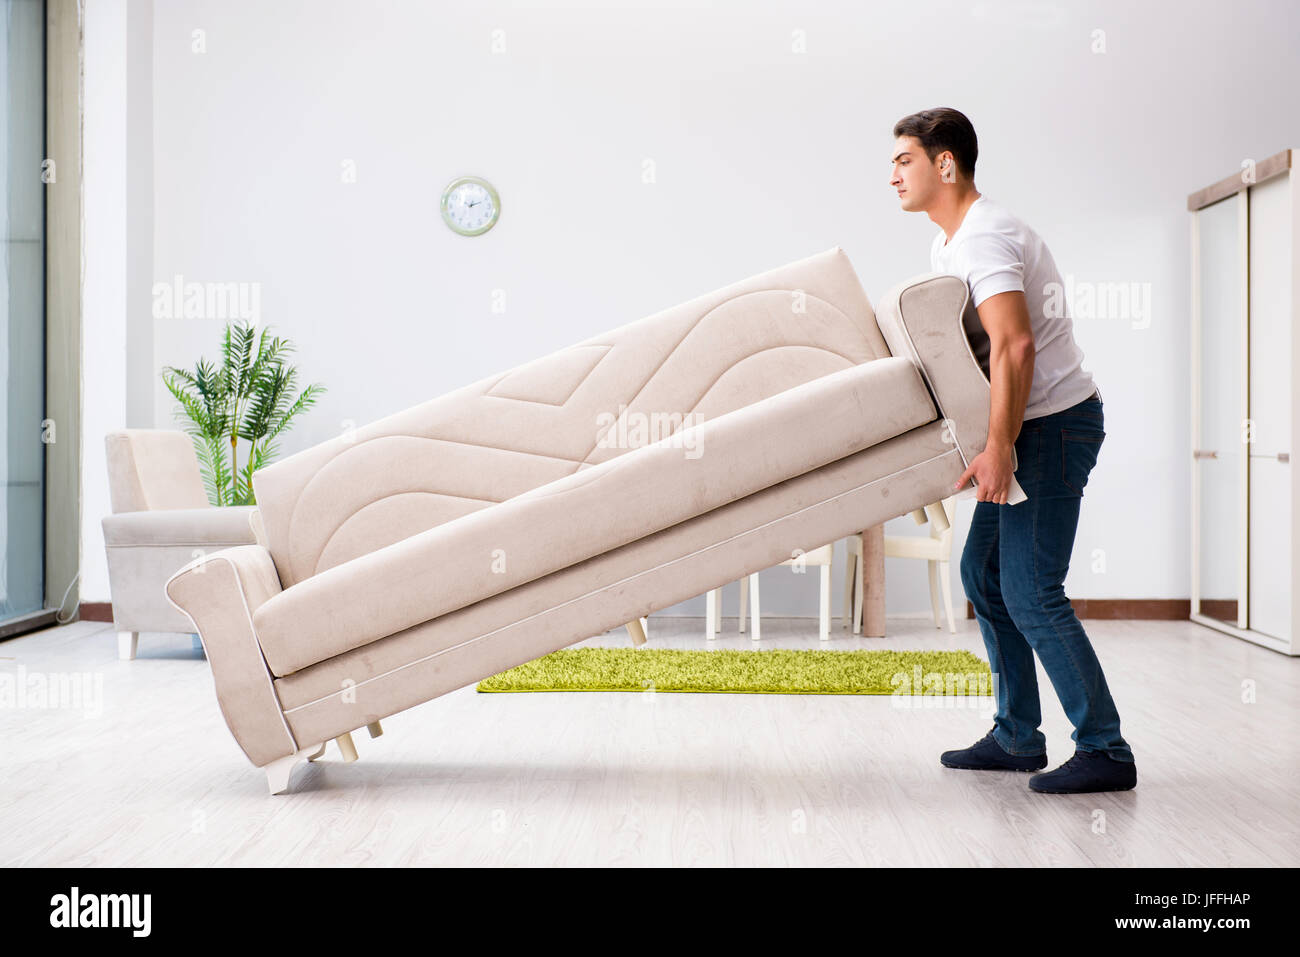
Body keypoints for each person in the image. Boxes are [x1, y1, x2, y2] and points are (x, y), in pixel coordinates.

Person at [889, 107, 1136, 793]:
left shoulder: (983, 238)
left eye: (904, 160)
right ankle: (1017, 734)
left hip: (1054, 427)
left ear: (945, 164)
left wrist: (999, 445)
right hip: (1031, 427)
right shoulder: (950, 245)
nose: (893, 176)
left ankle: (1106, 748)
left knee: (1030, 588)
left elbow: (1014, 344)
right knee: (983, 572)